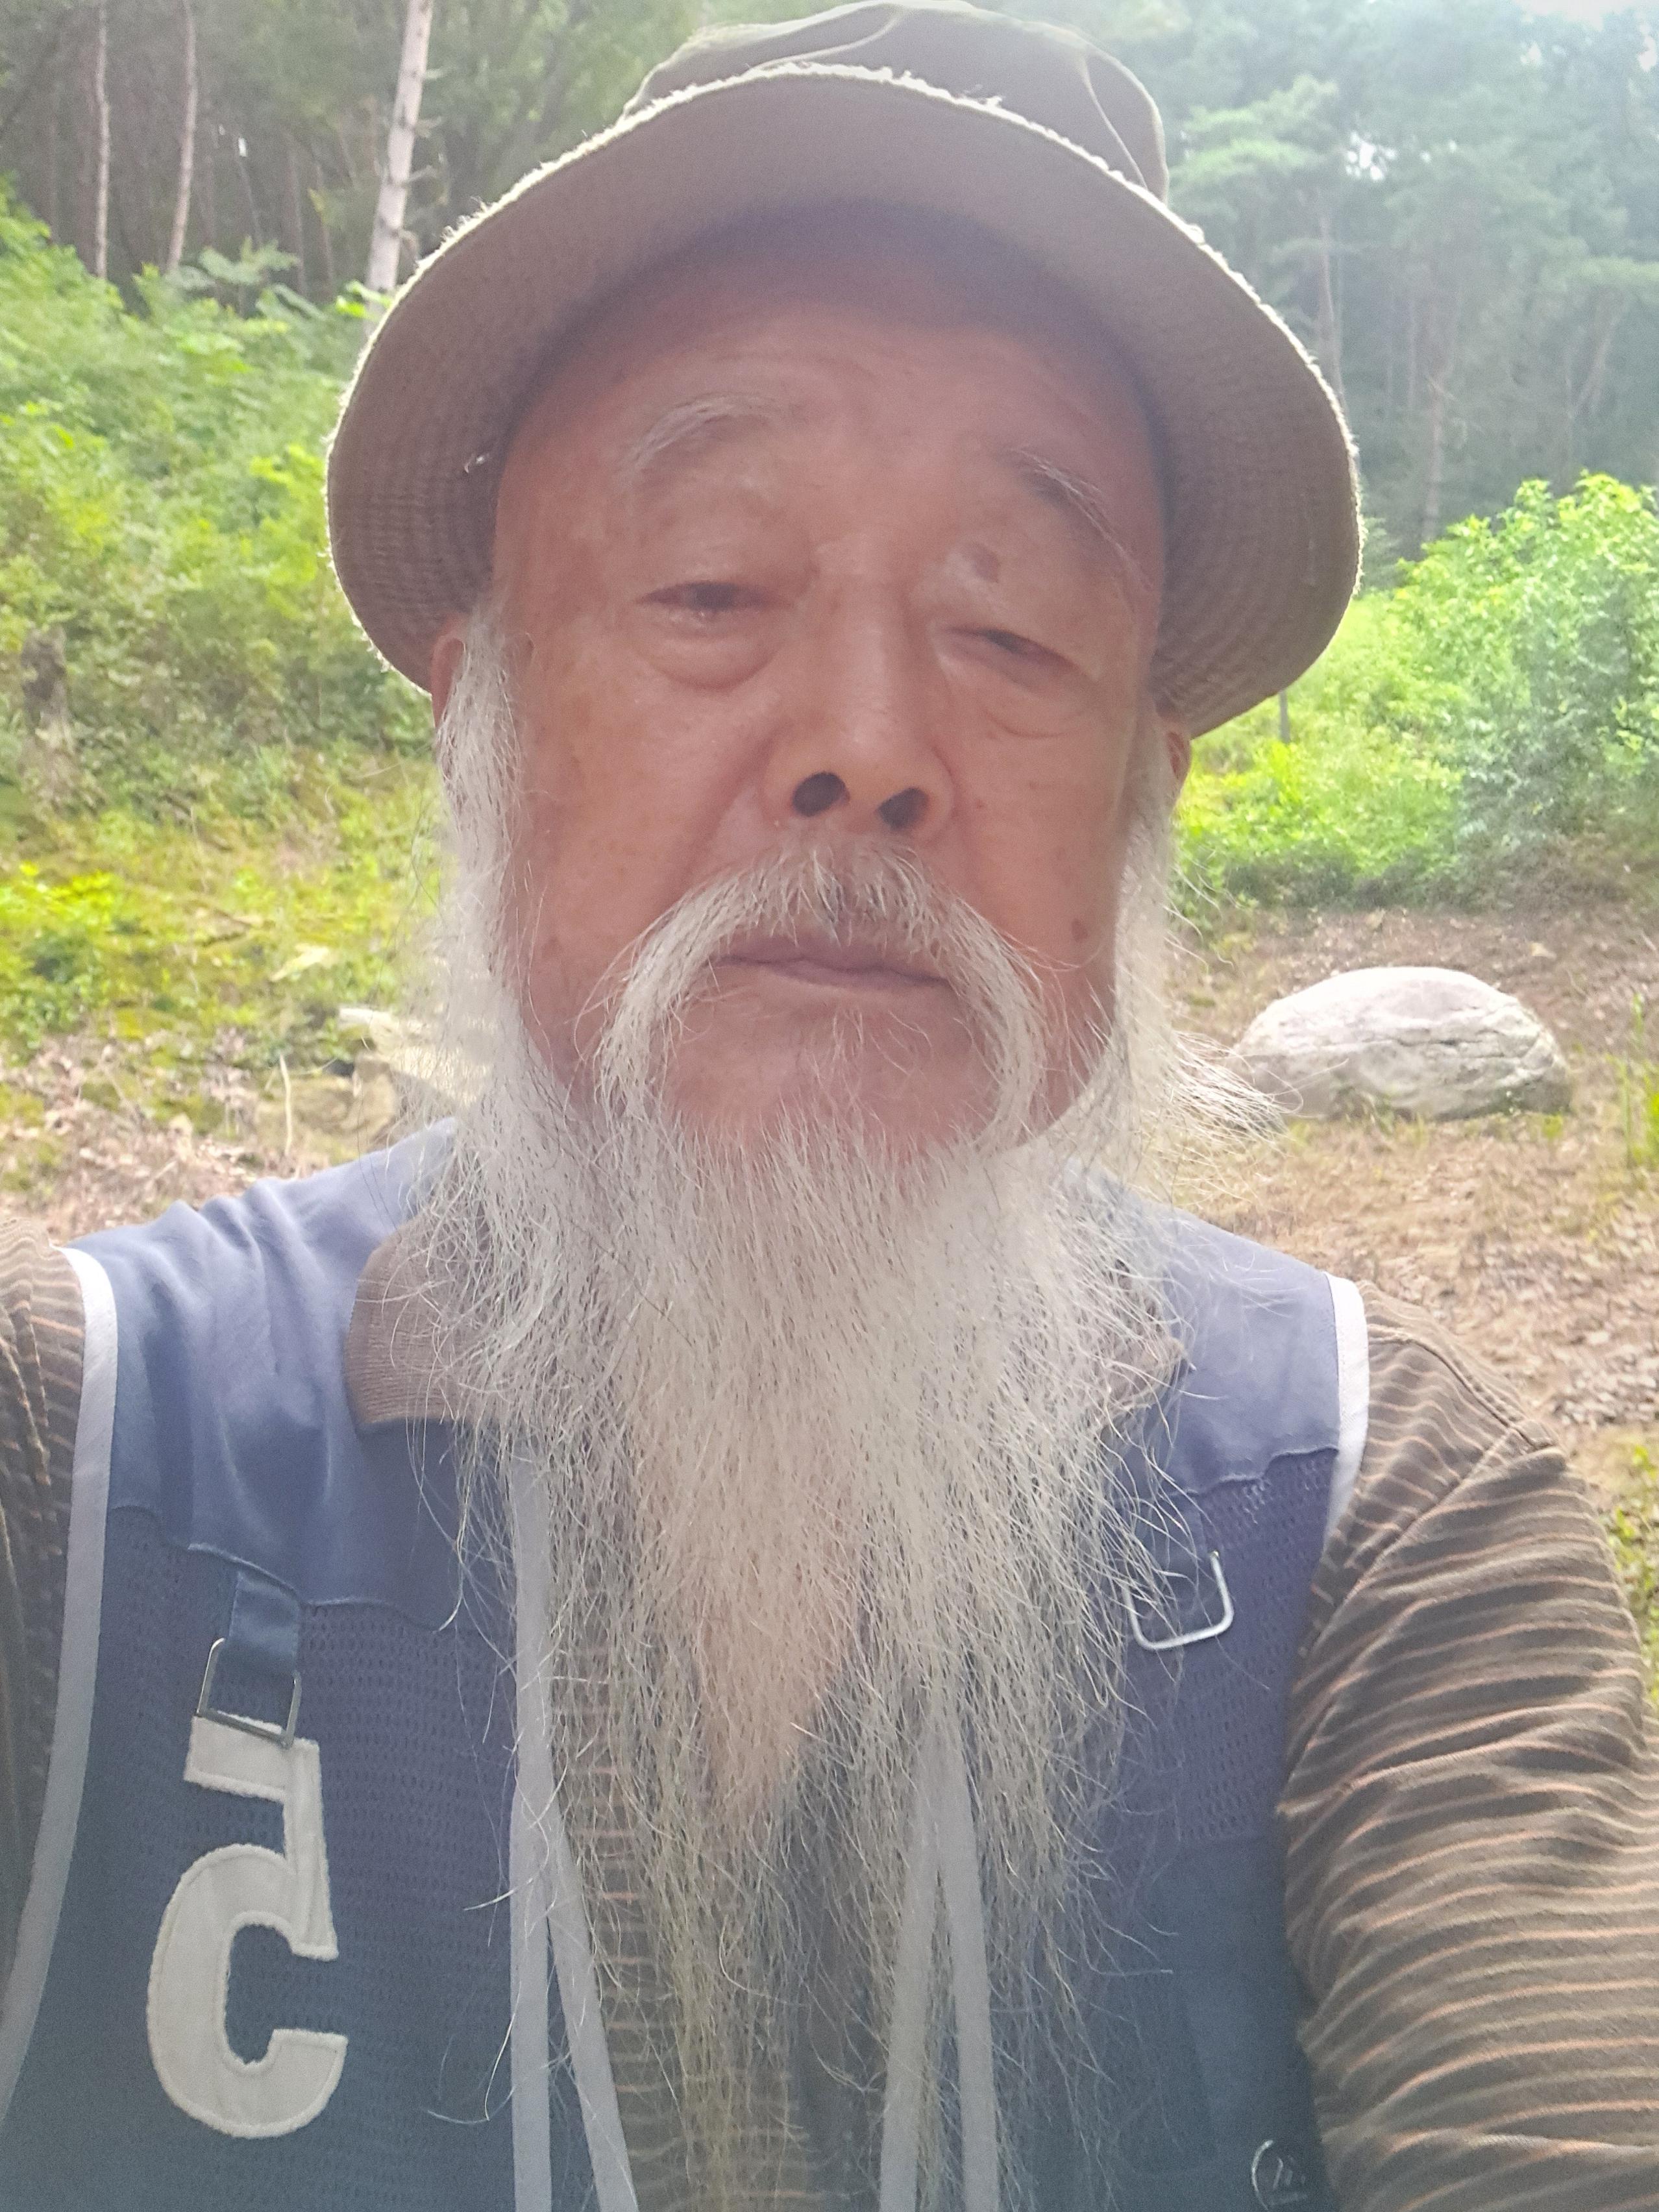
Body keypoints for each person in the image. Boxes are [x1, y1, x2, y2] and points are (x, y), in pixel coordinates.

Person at [0, 5, 1656, 2207]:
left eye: (1014, 633)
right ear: (479, 734)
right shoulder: (77, 1451)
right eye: (709, 588)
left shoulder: (1384, 1510)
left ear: (1139, 807)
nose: (865, 747)